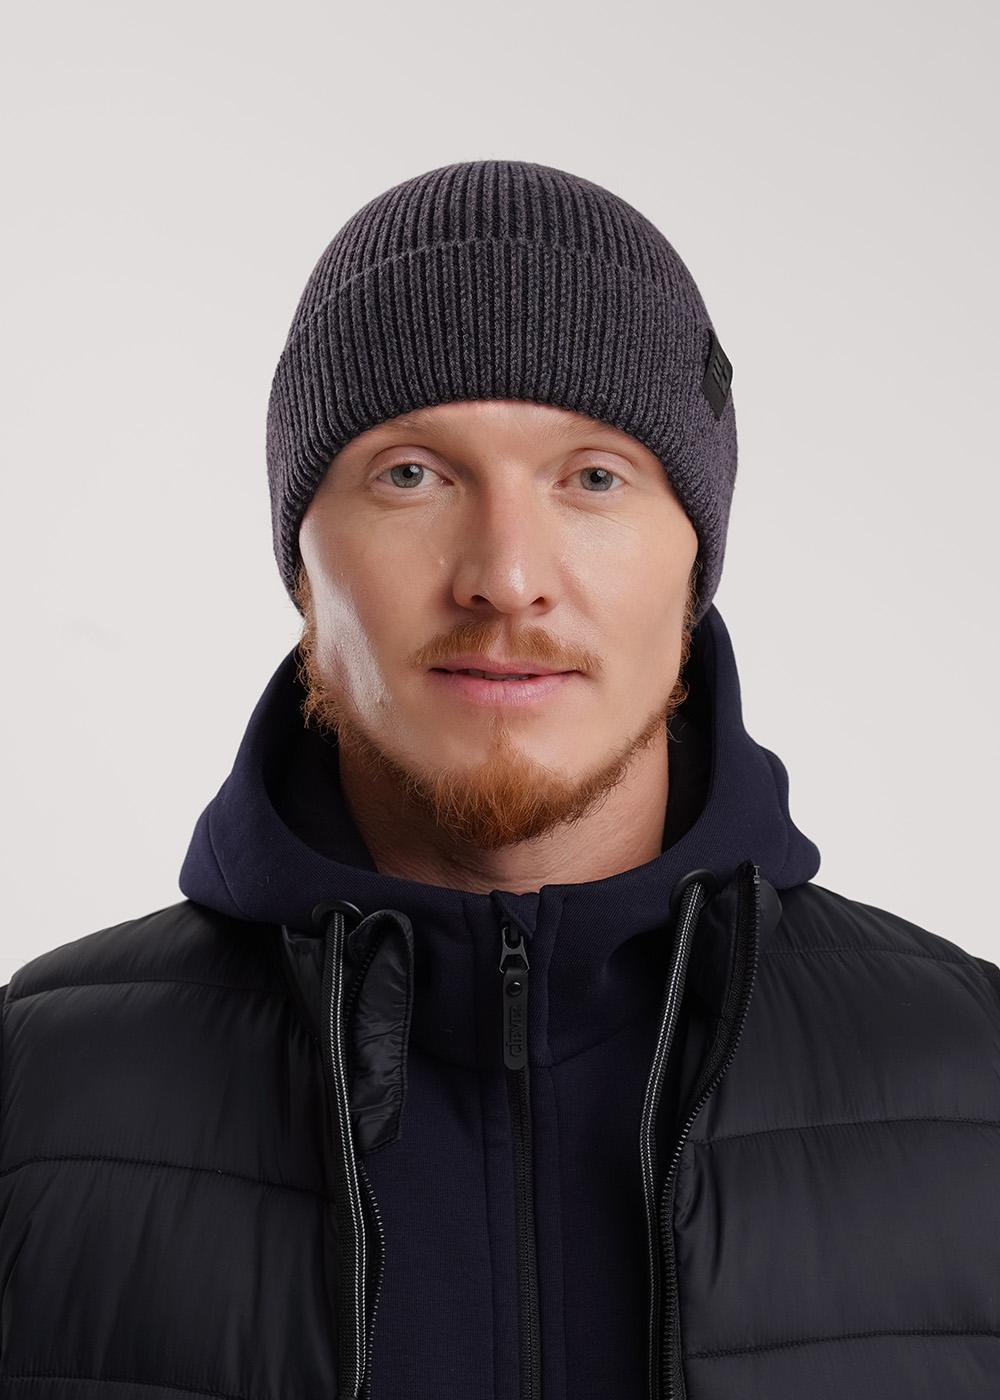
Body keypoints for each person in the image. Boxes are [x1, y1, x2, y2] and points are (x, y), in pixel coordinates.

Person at [2, 159, 997, 1400]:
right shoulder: (33, 1101)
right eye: (412, 472)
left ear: (694, 561)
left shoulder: (977, 1079)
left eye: (593, 476)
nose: (505, 577)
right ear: (302, 559)